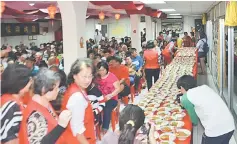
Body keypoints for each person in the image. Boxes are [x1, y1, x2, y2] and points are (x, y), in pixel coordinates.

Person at [20, 68, 77, 144]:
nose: (58, 90)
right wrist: (61, 126)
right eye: (55, 88)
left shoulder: (45, 103)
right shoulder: (35, 114)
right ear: (44, 90)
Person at [177, 75, 235, 144]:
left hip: (216, 130)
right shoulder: (205, 87)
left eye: (179, 89)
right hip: (230, 125)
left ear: (181, 87)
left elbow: (194, 121)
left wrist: (185, 105)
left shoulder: (185, 97)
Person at [61, 58, 96, 144]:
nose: (87, 80)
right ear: (74, 75)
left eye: (90, 76)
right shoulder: (77, 97)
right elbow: (77, 131)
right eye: (84, 76)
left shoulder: (77, 88)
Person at [1, 64, 32, 144]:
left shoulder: (6, 98)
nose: (31, 82)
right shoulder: (13, 106)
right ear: (21, 84)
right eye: (29, 80)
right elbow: (9, 140)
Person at [96, 61, 120, 134]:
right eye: (99, 70)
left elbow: (118, 89)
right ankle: (98, 124)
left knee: (106, 107)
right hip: (100, 98)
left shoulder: (112, 77)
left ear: (106, 69)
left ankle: (105, 126)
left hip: (112, 99)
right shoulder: (97, 77)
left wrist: (110, 95)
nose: (101, 72)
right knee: (95, 107)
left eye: (103, 70)